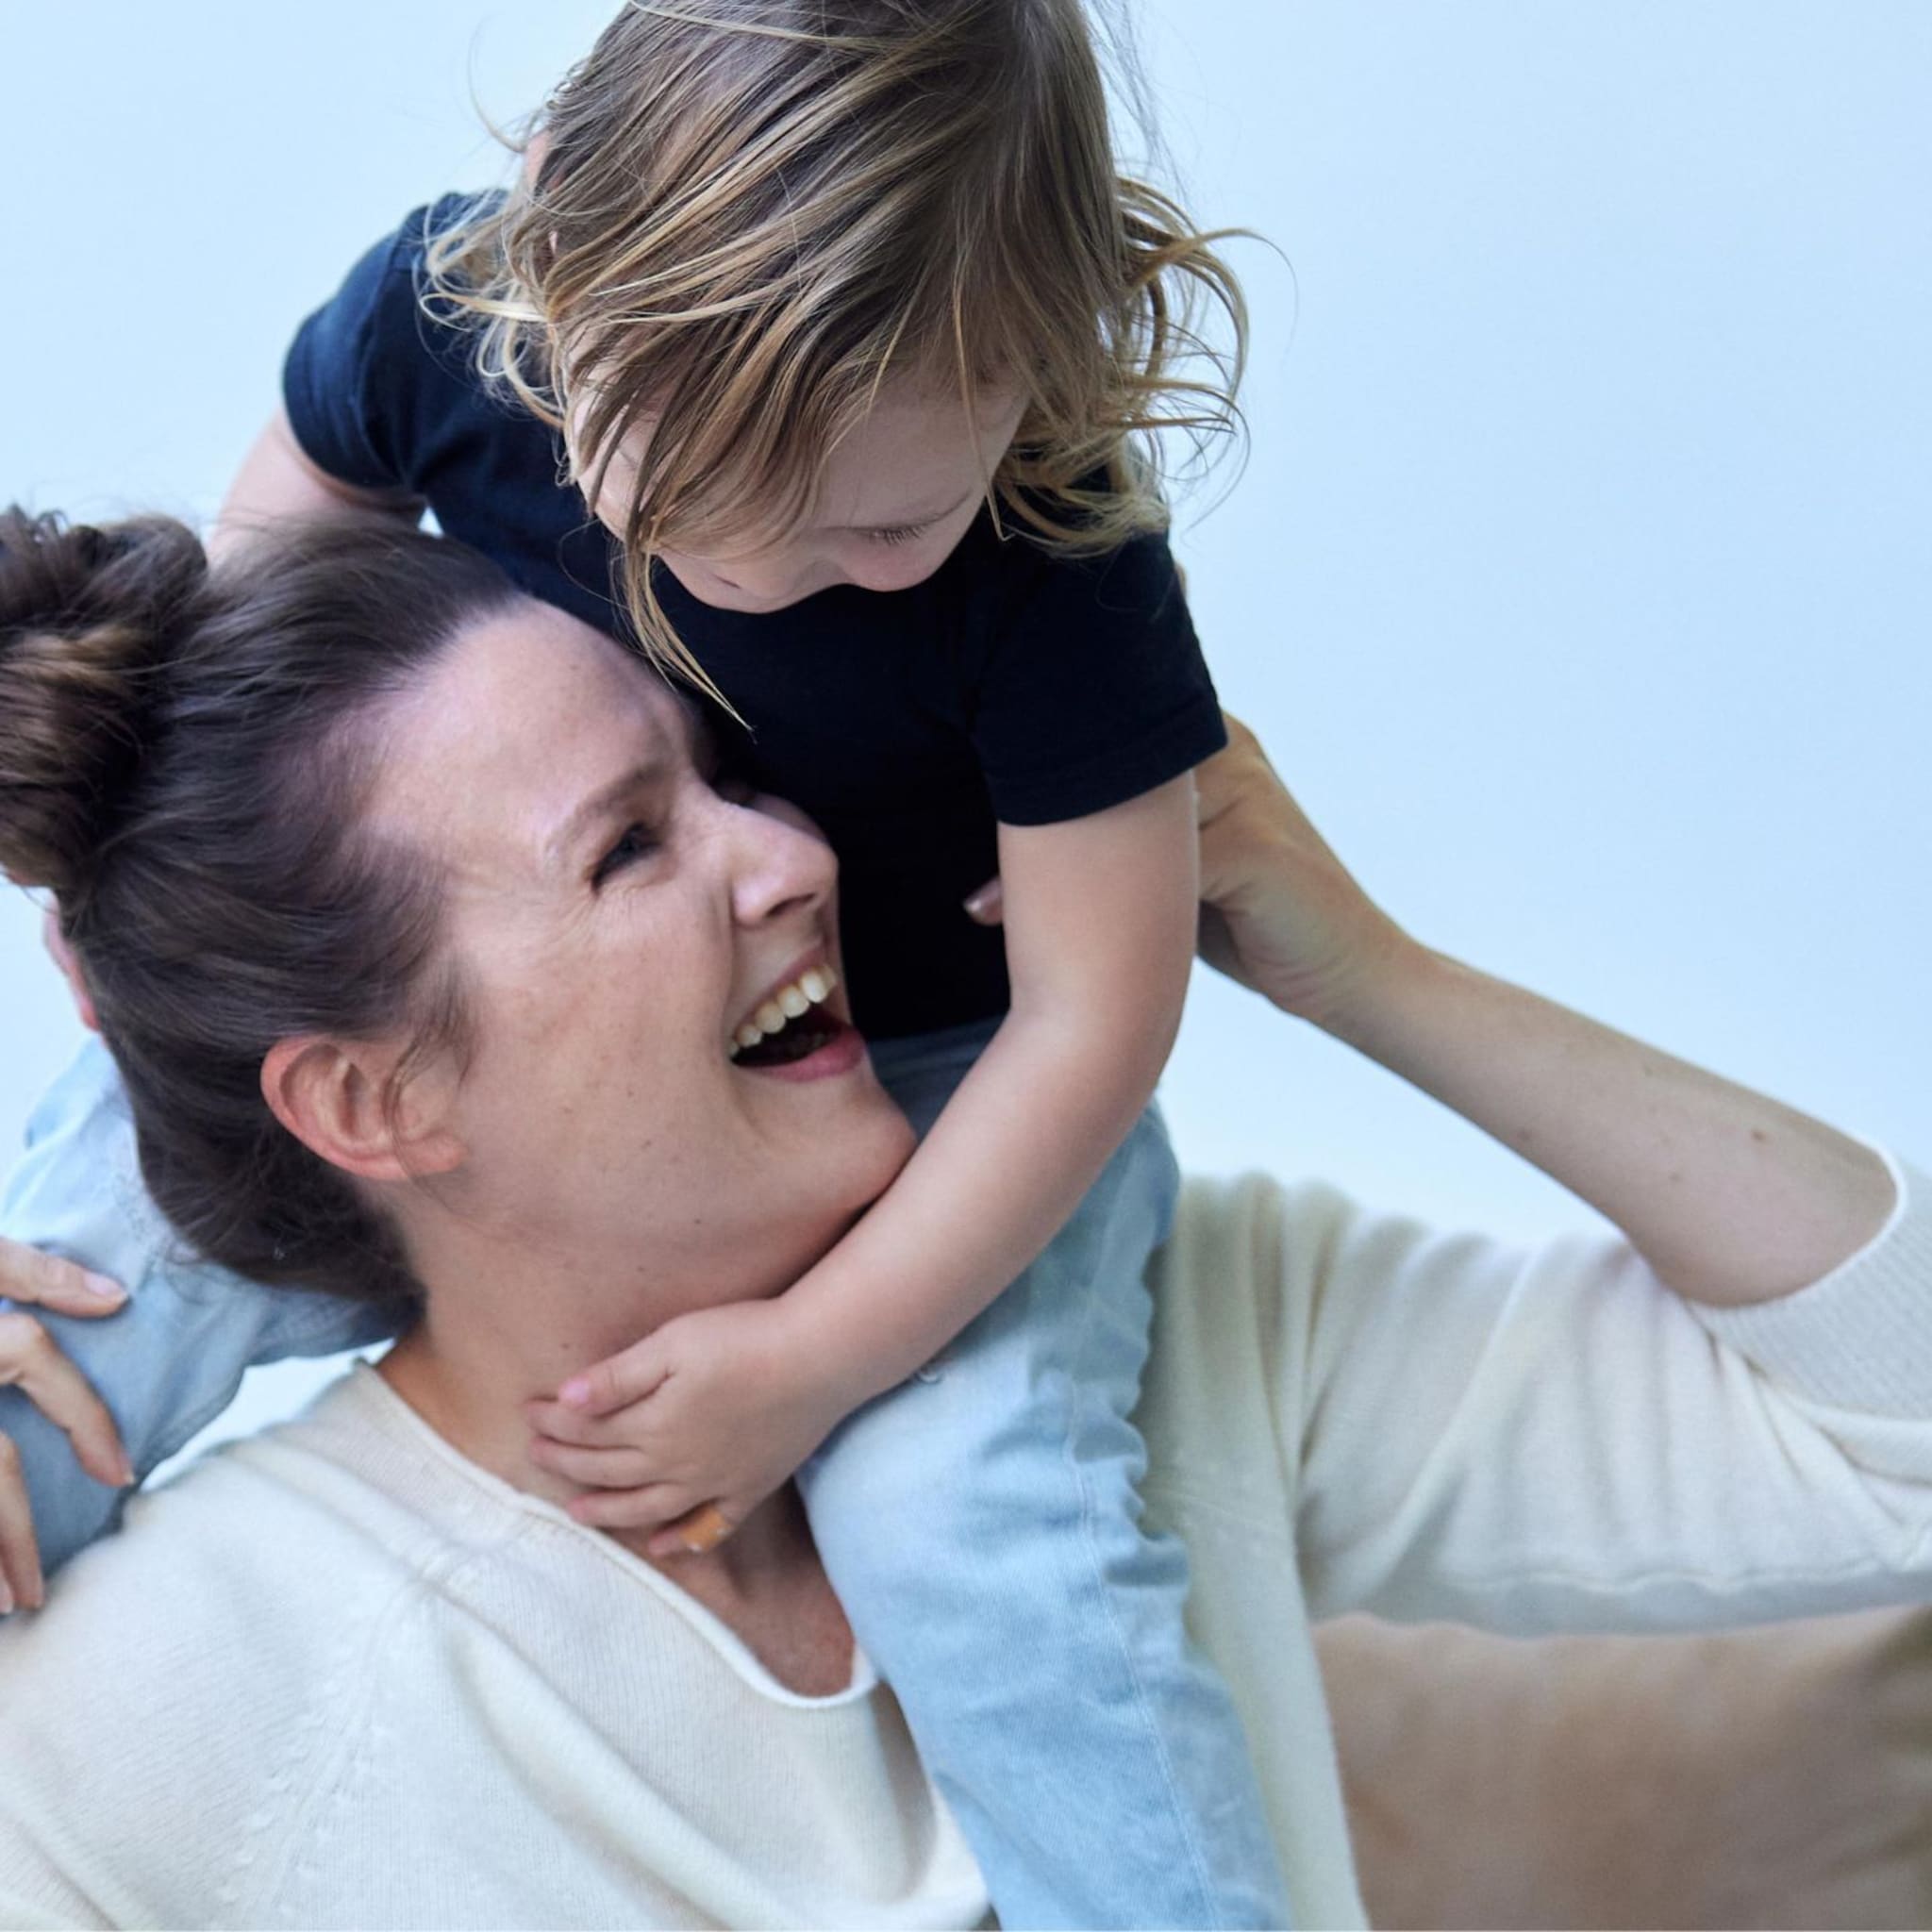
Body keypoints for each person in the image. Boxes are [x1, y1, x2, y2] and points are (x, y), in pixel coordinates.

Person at [0, 507, 1925, 1930]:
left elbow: (1891, 1444)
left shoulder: (1154, 1333)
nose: (796, 858)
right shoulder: (195, 1686)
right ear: (372, 1100)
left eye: (725, 779)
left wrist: (1374, 974)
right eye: (632, 847)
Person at [11, 7, 1284, 1922]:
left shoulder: (1060, 553)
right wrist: (157, 881)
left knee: (964, 1535)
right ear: (548, 242)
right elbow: (277, 594)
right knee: (66, 1308)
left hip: (962, 1085)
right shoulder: (448, 309)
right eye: (658, 467)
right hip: (550, 1009)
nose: (746, 561)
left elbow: (1102, 1017)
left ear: (1056, 362)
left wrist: (814, 1357)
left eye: (868, 523)